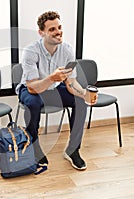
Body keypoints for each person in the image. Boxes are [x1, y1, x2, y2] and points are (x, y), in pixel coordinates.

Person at [16, 11, 97, 170]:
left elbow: (71, 82)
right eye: (52, 29)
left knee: (81, 102)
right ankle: (34, 147)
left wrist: (84, 94)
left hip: (54, 88)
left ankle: (73, 150)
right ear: (42, 33)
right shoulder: (31, 51)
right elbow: (32, 87)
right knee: (33, 103)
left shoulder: (67, 50)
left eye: (59, 27)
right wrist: (52, 78)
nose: (58, 32)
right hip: (32, 89)